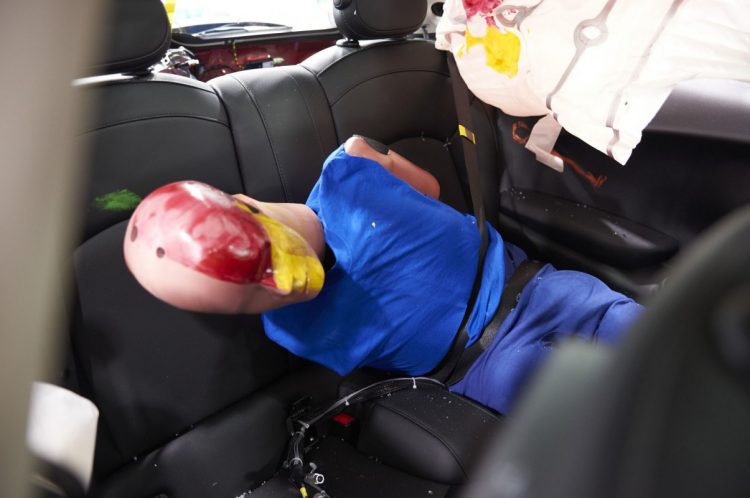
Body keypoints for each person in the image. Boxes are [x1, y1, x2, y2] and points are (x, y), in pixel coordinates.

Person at [124, 135, 642, 414]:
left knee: (648, 335)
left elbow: (429, 189)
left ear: (247, 205)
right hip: (482, 363)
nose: (283, 288)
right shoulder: (290, 329)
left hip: (537, 288)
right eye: (250, 303)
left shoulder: (351, 167)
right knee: (597, 417)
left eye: (264, 263)